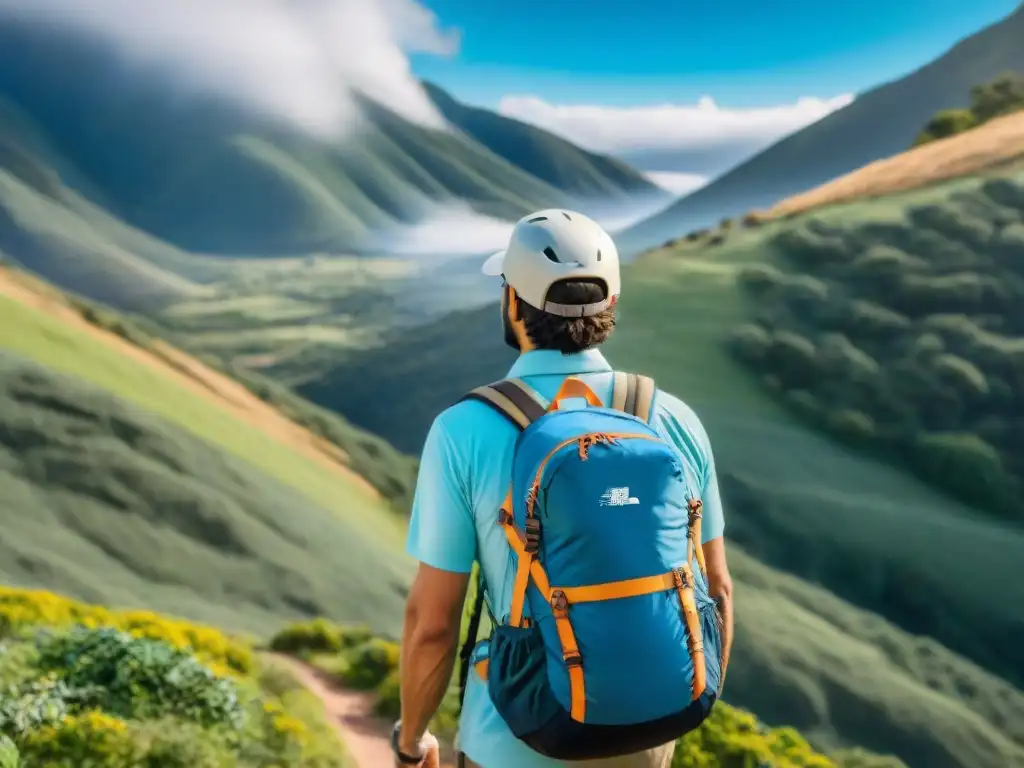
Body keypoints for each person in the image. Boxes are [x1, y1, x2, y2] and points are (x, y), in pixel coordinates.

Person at [393, 209, 734, 768]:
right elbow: (715, 589)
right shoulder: (673, 420)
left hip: (514, 739)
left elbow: (433, 625)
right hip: (646, 743)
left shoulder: (463, 430)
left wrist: (412, 746)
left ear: (512, 303)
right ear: (611, 305)